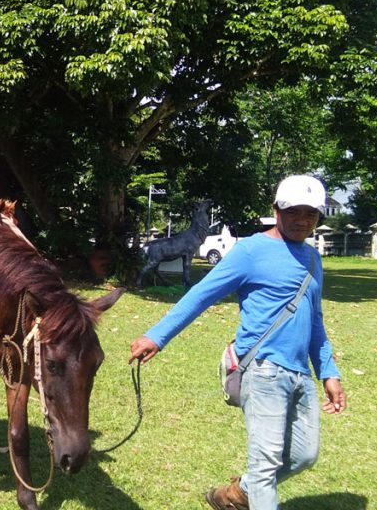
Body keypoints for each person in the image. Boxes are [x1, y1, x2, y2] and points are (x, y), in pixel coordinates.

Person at [128, 175, 347, 510]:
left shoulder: (312, 259)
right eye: (294, 212)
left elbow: (314, 318)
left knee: (305, 455)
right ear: (276, 210)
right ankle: (253, 492)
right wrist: (157, 335)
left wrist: (328, 372)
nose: (302, 220)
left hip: (300, 374)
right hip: (264, 372)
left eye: (311, 214)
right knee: (266, 465)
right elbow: (202, 294)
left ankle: (237, 494)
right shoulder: (250, 251)